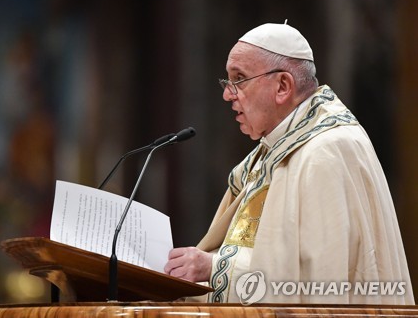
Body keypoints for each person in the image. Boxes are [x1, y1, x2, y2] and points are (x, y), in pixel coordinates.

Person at [164, 22, 414, 304]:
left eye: (239, 79)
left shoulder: (327, 152)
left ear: (283, 86)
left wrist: (212, 268)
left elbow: (321, 285)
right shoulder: (273, 153)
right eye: (227, 81)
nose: (227, 94)